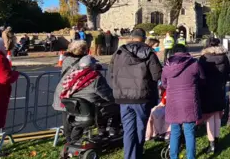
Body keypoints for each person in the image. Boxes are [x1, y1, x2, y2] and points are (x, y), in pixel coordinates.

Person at [109, 28, 162, 159]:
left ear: (131, 37)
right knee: (140, 127)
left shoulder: (119, 52)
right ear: (144, 38)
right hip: (142, 95)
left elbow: (111, 72)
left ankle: (130, 155)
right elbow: (157, 75)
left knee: (128, 129)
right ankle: (137, 153)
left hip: (123, 96)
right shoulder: (149, 52)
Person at [52, 41, 119, 142]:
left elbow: (83, 67)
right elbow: (84, 68)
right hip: (72, 91)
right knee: (77, 114)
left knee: (72, 114)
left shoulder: (67, 59)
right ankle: (71, 138)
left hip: (68, 90)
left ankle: (71, 138)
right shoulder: (88, 71)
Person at [162, 44, 205, 159]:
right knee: (189, 132)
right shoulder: (194, 63)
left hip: (173, 102)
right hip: (189, 101)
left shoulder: (167, 66)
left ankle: (173, 156)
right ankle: (191, 157)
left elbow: (164, 84)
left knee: (175, 132)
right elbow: (202, 79)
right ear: (186, 51)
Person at [198, 38, 230, 154]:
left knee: (209, 118)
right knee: (217, 116)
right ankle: (216, 140)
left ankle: (212, 144)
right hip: (220, 88)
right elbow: (228, 72)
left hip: (207, 90)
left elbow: (200, 75)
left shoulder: (204, 58)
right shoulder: (224, 57)